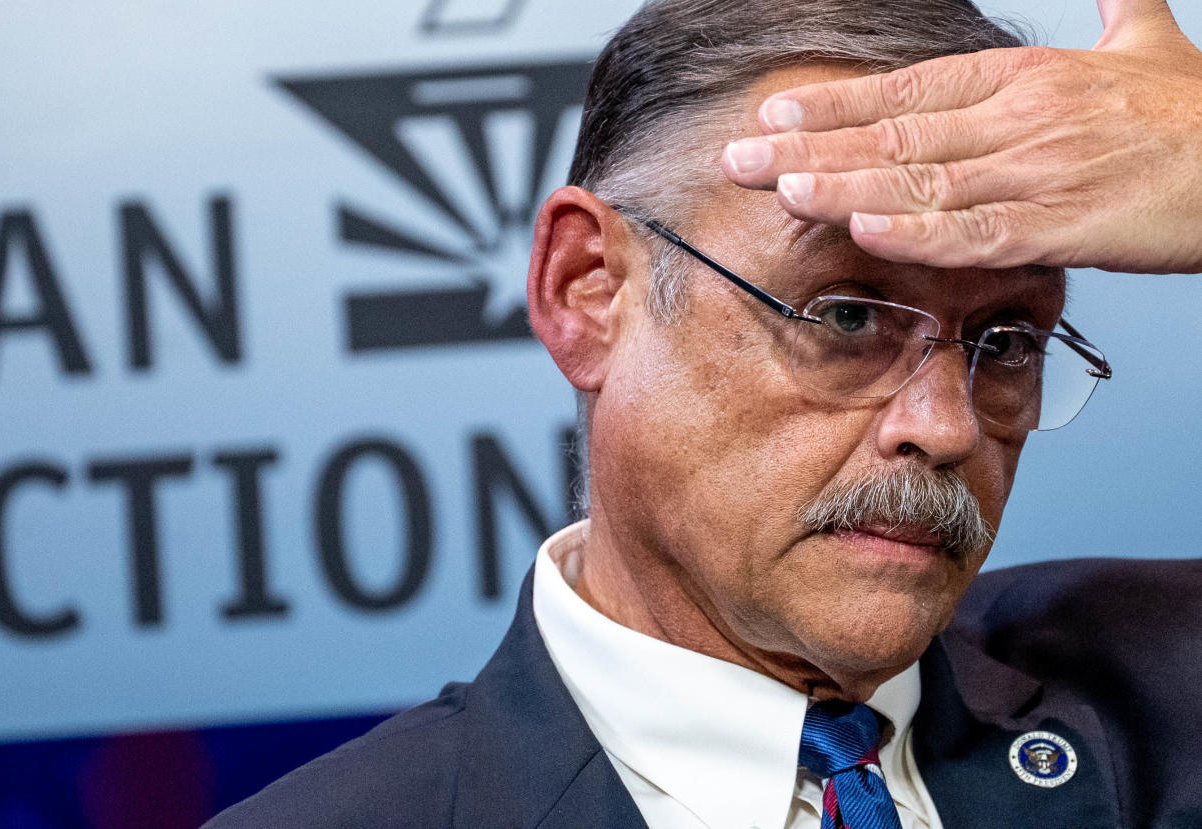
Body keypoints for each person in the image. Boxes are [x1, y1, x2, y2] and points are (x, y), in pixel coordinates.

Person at [205, 0, 1202, 827]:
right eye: (846, 315)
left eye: (1005, 340)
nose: (942, 428)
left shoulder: (1167, 682)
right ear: (587, 288)